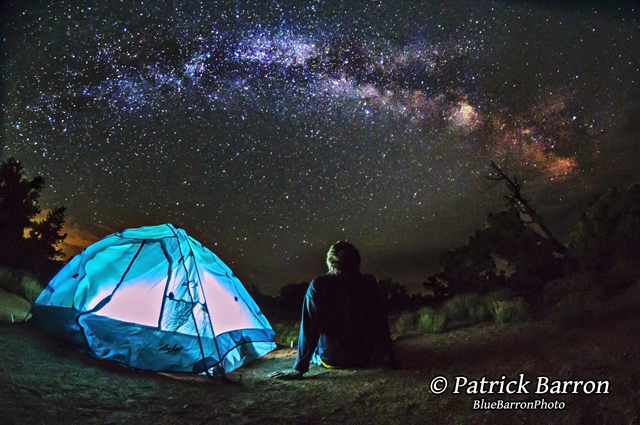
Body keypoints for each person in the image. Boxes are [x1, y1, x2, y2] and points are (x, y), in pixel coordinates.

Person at [269, 241, 394, 380]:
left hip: (333, 359)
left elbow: (309, 328)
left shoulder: (318, 285)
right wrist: (390, 359)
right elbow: (380, 323)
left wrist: (299, 368)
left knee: (313, 349)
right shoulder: (369, 283)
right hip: (364, 358)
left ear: (330, 262)